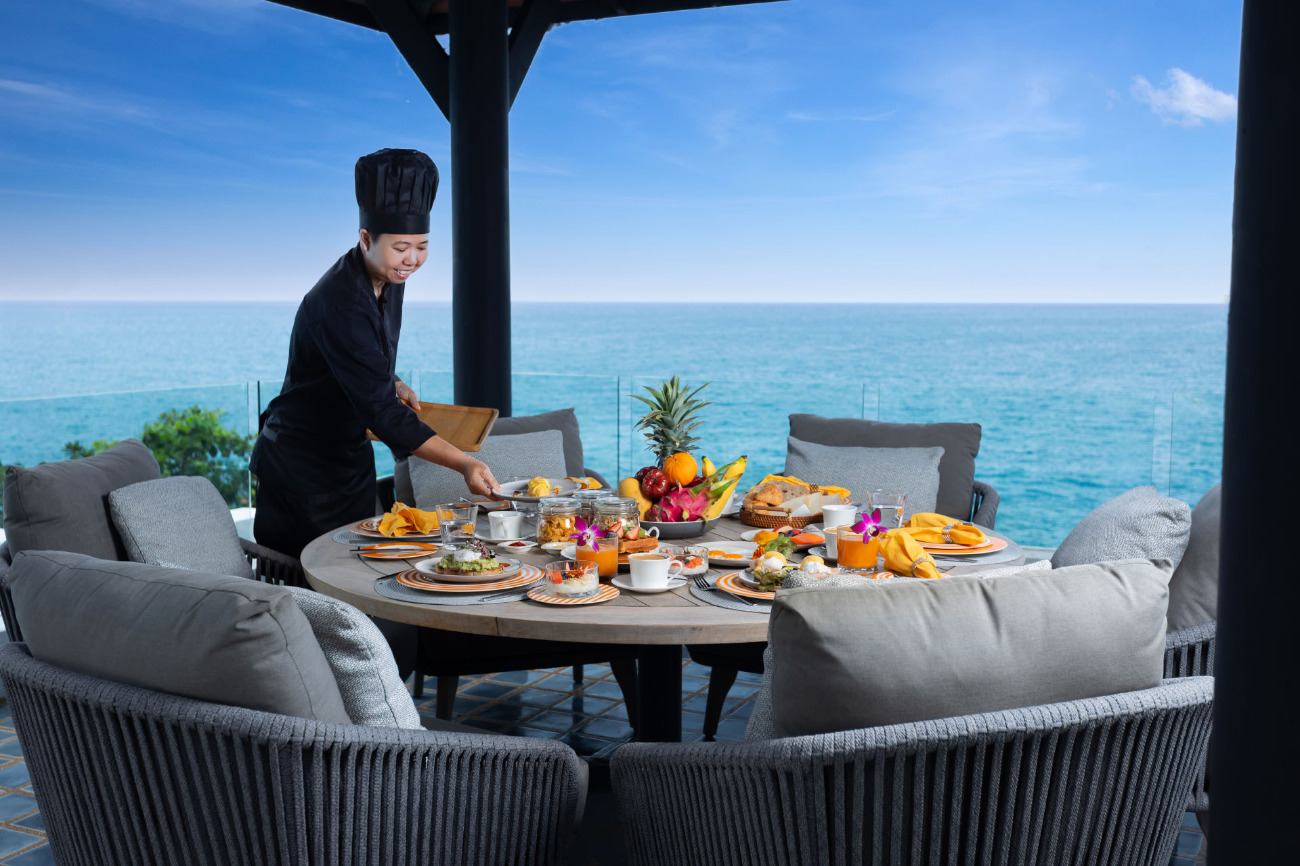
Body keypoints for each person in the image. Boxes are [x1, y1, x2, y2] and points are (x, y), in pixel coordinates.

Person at [251, 148, 498, 561]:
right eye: (401, 247)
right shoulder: (339, 302)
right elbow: (383, 414)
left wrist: (391, 380)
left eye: (422, 246)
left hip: (348, 459)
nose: (412, 260)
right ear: (365, 239)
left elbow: (361, 355)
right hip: (301, 467)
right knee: (308, 576)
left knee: (358, 566)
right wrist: (464, 464)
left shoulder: (389, 275)